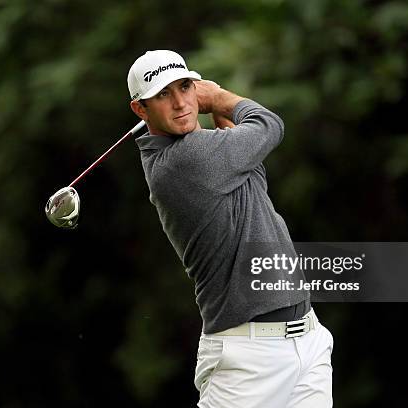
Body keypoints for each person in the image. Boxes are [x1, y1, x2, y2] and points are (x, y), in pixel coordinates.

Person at [127, 50, 333, 408]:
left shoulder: (208, 155)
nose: (179, 103)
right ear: (141, 110)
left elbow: (253, 174)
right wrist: (216, 97)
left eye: (184, 87)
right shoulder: (180, 162)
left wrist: (212, 111)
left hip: (308, 341)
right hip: (246, 359)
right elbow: (268, 125)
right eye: (163, 94)